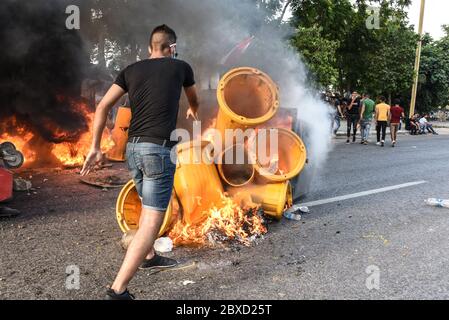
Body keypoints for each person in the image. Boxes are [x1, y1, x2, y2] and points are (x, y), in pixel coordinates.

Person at [80, 25, 200, 300]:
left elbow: (102, 107)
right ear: (172, 48)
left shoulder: (130, 70)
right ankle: (118, 290)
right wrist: (193, 110)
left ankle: (148, 255)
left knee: (149, 206)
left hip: (133, 150)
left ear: (149, 48)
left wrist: (96, 147)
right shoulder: (180, 66)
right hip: (158, 151)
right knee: (151, 222)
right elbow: (194, 99)